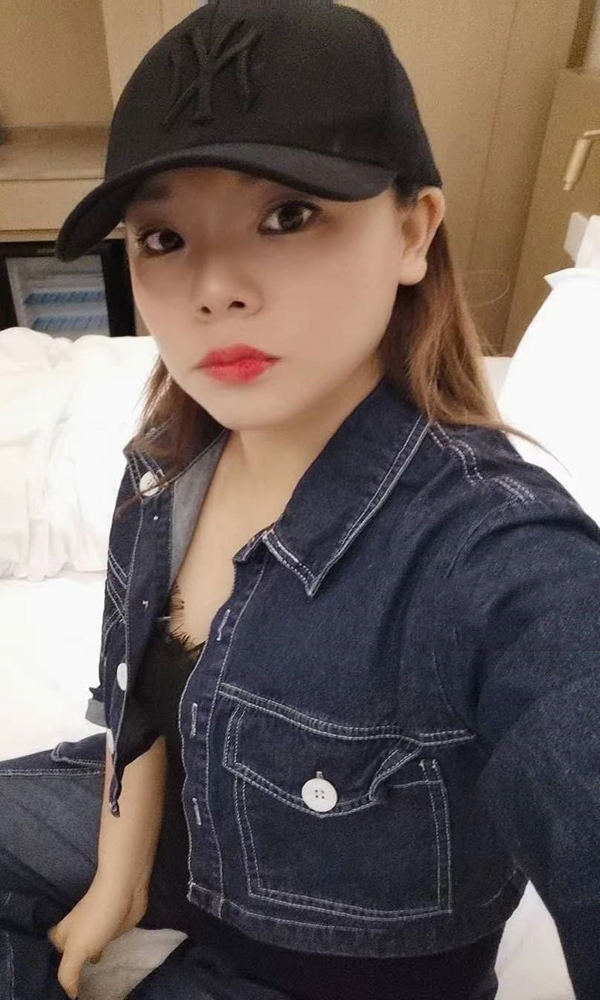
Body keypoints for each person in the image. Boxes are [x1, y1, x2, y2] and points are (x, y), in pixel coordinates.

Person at [1, 0, 600, 998]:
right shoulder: (163, 464)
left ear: (413, 231)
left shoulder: (495, 556)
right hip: (176, 830)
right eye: (163, 237)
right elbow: (138, 707)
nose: (214, 288)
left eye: (287, 216)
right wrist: (116, 879)